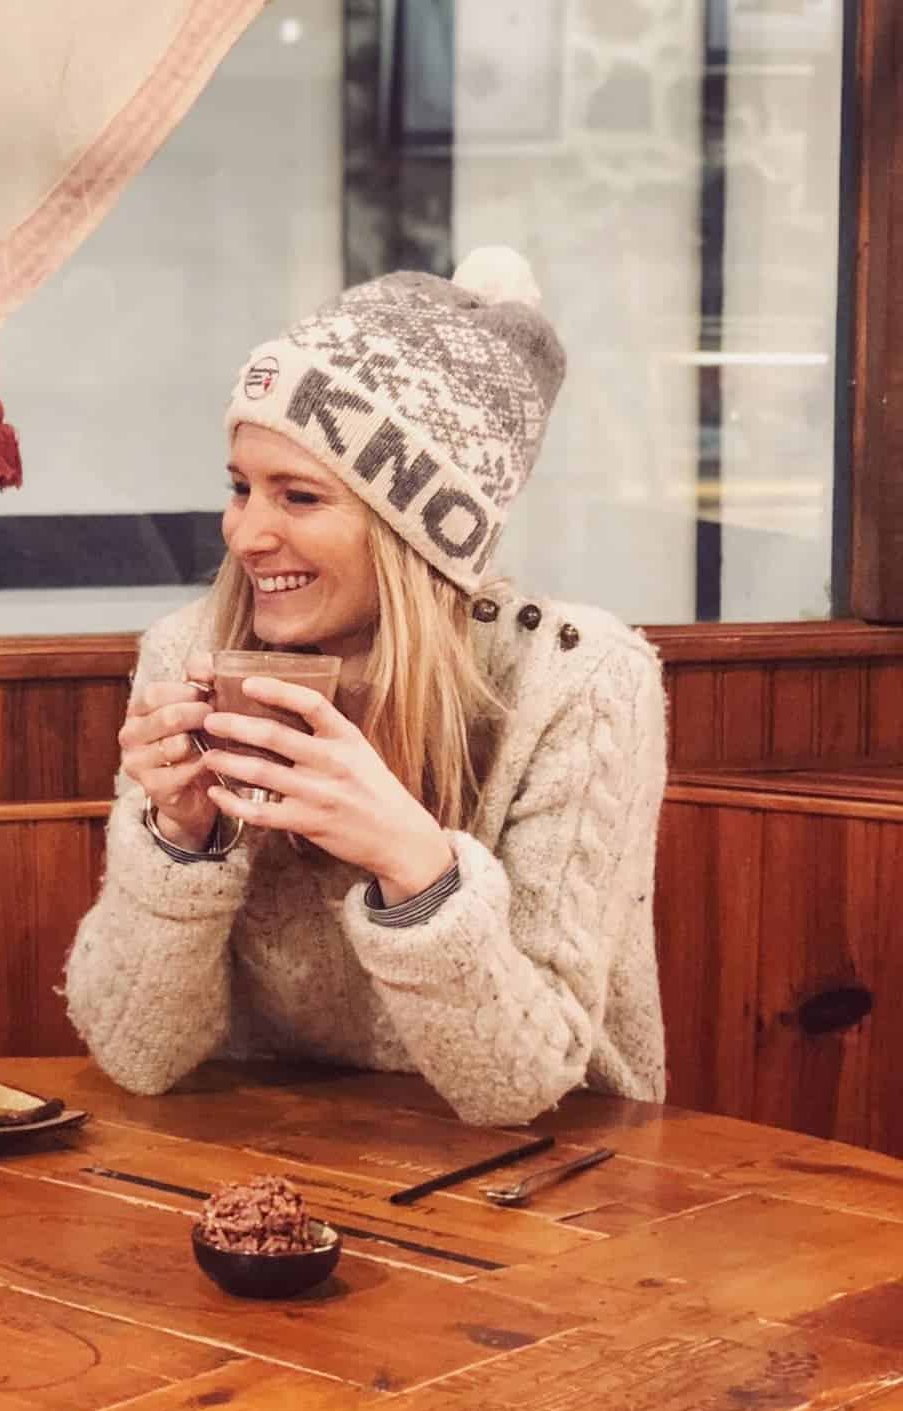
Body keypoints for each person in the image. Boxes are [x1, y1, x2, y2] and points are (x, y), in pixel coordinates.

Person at [63, 249, 667, 1128]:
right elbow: (137, 1053)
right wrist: (179, 842)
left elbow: (520, 1087)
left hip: (554, 1182)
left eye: (299, 497)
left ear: (414, 532)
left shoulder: (578, 678)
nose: (246, 533)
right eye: (240, 488)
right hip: (257, 1161)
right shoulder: (189, 654)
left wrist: (413, 866)